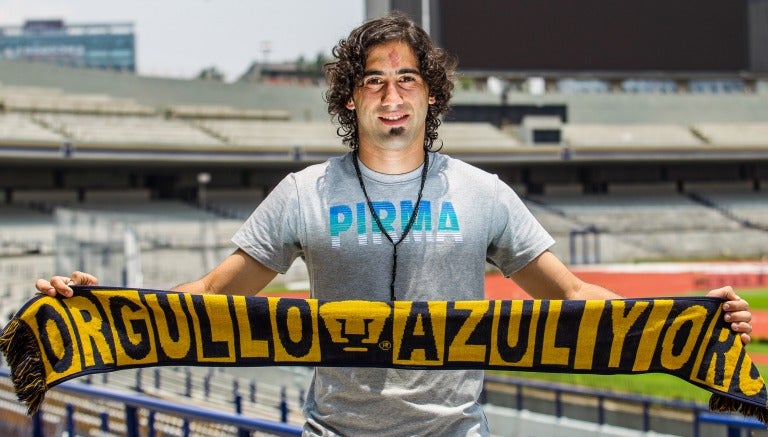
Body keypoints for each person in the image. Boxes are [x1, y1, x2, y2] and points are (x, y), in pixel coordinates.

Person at [37, 12, 752, 437]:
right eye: (373, 80)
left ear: (431, 94)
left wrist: (687, 321)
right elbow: (213, 295)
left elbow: (569, 296)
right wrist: (94, 309)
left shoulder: (483, 192)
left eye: (407, 78)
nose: (391, 95)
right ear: (349, 99)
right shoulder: (302, 193)